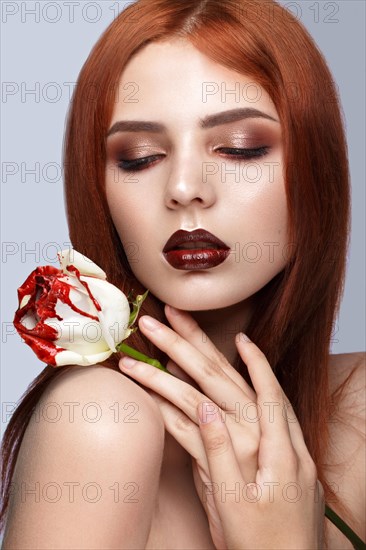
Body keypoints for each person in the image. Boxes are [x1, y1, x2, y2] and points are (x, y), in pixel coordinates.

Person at [1, 0, 365, 548]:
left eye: (241, 148)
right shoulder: (100, 422)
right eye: (140, 157)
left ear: (317, 166)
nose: (183, 187)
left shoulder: (359, 407)